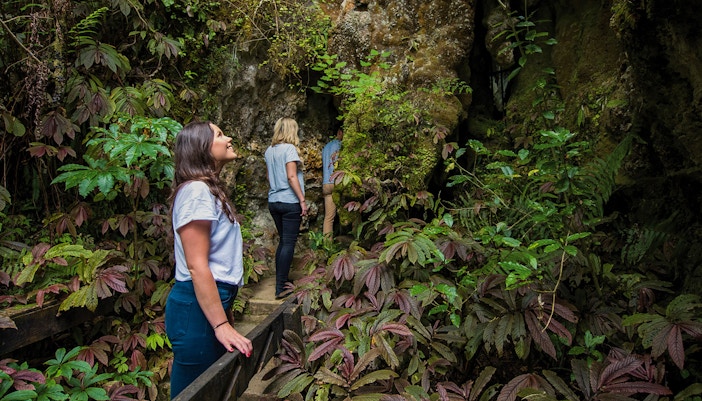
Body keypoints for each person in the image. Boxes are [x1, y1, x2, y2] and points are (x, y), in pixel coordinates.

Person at [165, 121, 253, 399]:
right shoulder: (196, 192)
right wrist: (220, 325)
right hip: (195, 310)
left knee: (210, 391)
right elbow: (197, 265)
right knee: (194, 394)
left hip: (205, 307)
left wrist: (224, 316)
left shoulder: (206, 190)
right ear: (202, 148)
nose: (228, 138)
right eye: (219, 134)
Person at [264, 117, 308, 299]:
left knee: (283, 241)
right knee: (289, 243)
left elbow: (268, 177)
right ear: (292, 130)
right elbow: (291, 177)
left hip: (274, 201)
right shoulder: (289, 149)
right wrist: (302, 200)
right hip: (289, 201)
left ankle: (282, 279)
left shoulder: (269, 150)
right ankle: (280, 287)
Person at [321, 128, 342, 238]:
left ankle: (327, 246)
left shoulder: (326, 147)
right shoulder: (340, 145)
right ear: (340, 132)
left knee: (329, 218)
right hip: (337, 182)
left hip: (326, 183)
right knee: (352, 214)